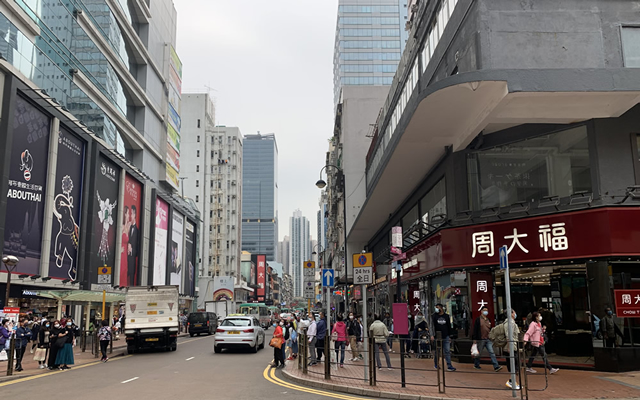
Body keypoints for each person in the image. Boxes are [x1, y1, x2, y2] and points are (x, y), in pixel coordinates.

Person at [472, 306, 502, 371]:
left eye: (487, 310)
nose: (486, 312)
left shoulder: (488, 320)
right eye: (484, 310)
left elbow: (491, 329)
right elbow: (475, 329)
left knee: (491, 352)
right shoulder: (478, 319)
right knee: (479, 353)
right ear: (481, 311)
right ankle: (476, 364)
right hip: (481, 339)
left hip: (488, 339)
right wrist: (475, 339)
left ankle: (496, 366)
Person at [431, 303, 456, 371]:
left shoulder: (446, 316)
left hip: (446, 336)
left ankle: (449, 365)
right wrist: (432, 335)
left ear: (441, 308)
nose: (437, 309)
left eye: (438, 307)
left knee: (447, 351)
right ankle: (436, 364)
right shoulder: (434, 316)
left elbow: (449, 326)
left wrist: (450, 335)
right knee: (437, 351)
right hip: (437, 336)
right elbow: (432, 326)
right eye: (436, 307)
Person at [501, 309, 521, 390]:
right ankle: (511, 381)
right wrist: (509, 347)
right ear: (511, 314)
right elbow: (509, 336)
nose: (515, 313)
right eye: (514, 312)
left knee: (514, 365)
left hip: (512, 346)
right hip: (511, 346)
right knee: (514, 365)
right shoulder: (510, 323)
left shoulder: (509, 322)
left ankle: (513, 381)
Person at [127, 205, 140, 286]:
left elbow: (138, 247)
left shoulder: (137, 231)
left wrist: (131, 250)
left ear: (135, 215)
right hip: (125, 256)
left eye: (132, 214)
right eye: (130, 213)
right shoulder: (128, 227)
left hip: (132, 258)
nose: (130, 216)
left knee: (131, 278)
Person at [120, 206, 130, 287]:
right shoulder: (121, 227)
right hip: (121, 253)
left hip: (125, 254)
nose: (129, 215)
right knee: (121, 270)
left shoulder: (127, 227)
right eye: (128, 213)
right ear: (125, 214)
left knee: (125, 271)